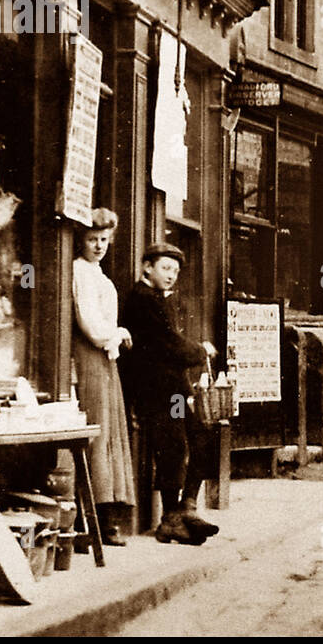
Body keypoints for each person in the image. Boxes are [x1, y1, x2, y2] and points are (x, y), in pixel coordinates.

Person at [119, 243, 220, 545]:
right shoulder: (143, 299)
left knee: (200, 437)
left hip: (173, 389)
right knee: (173, 447)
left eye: (175, 271)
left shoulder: (159, 300)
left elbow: (172, 343)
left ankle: (185, 509)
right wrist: (201, 350)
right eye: (165, 268)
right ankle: (172, 518)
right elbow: (168, 345)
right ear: (146, 267)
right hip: (158, 390)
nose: (171, 275)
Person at [70, 209, 136, 546]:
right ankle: (89, 523)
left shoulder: (97, 272)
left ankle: (105, 519)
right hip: (90, 355)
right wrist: (116, 332)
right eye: (93, 239)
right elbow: (91, 325)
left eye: (104, 240)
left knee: (109, 433)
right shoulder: (79, 271)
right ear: (81, 239)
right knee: (97, 431)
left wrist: (113, 335)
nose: (98, 246)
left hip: (105, 359)